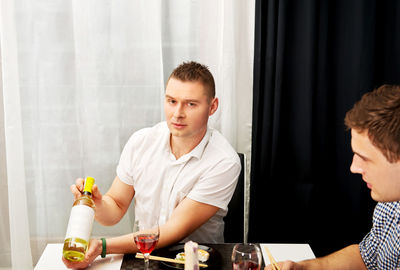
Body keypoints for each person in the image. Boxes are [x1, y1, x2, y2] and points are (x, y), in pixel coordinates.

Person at [63, 61, 241, 269]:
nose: (177, 113)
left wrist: (102, 246)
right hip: (141, 258)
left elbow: (171, 231)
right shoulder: (141, 142)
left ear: (212, 107)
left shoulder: (224, 161)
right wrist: (96, 203)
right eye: (172, 101)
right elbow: (116, 208)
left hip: (197, 263)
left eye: (191, 104)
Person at [265, 84, 400, 270]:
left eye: (365, 158)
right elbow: (366, 257)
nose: (354, 167)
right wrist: (305, 268)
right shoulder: (390, 203)